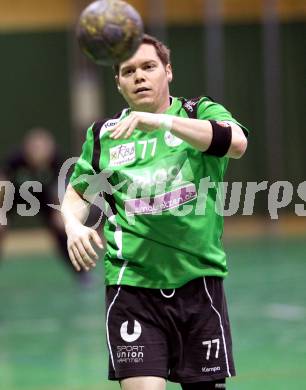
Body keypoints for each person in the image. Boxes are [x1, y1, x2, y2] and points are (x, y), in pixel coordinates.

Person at [61, 34, 248, 390]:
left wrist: (162, 123)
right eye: (128, 71)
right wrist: (72, 225)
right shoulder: (105, 134)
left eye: (148, 67)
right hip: (133, 289)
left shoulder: (199, 113)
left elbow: (236, 143)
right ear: (118, 82)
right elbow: (76, 193)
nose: (139, 76)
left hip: (198, 284)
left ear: (168, 71)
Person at [0, 127, 91, 286]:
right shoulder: (15, 159)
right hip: (14, 195)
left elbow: (61, 189)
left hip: (43, 197)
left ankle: (81, 274)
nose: (39, 153)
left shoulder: (57, 160)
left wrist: (61, 213)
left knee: (62, 228)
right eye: (35, 149)